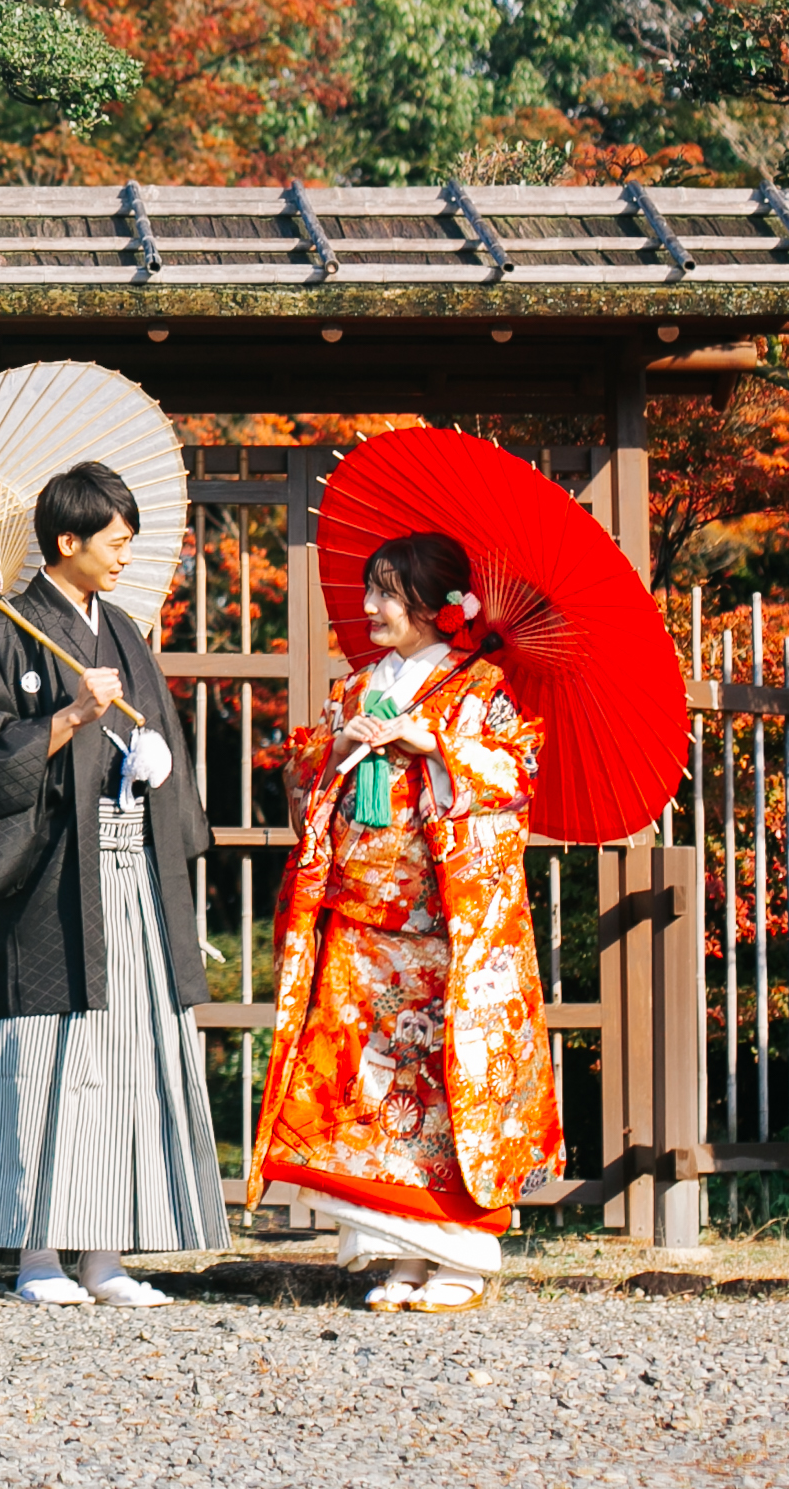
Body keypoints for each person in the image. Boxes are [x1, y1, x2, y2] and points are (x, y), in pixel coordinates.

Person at [247, 531, 562, 1314]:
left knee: (443, 1091)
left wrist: (435, 745)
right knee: (369, 1088)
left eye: (389, 592)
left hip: (442, 927)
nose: (371, 607)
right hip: (361, 922)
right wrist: (330, 753)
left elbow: (515, 777)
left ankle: (458, 1256)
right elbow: (306, 783)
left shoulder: (480, 686)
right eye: (371, 590)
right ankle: (400, 1253)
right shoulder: (356, 689)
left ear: (433, 603)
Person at [0, 458, 229, 1306]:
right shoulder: (7, 631)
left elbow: (158, 745)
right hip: (53, 878)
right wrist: (66, 718)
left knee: (127, 1055)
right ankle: (36, 1258)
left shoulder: (125, 632)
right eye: (114, 541)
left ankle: (104, 1259)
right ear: (66, 541)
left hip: (129, 870)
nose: (124, 557)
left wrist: (156, 767)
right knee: (49, 1059)